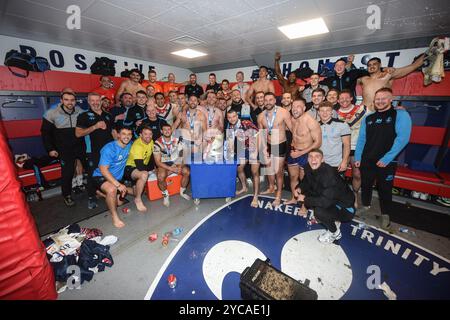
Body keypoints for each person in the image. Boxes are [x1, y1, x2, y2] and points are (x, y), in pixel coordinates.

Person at [355, 87, 412, 229]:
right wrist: (358, 157)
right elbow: (361, 139)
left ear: (391, 99)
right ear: (374, 100)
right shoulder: (368, 118)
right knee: (366, 185)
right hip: (367, 160)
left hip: (387, 162)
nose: (380, 101)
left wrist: (387, 158)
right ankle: (366, 205)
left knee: (385, 189)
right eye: (377, 99)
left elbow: (403, 139)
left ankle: (386, 214)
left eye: (383, 98)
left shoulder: (400, 115)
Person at [296, 149, 355, 244]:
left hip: (346, 208)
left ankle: (335, 232)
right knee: (312, 193)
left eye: (317, 156)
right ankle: (331, 218)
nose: (313, 159)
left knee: (319, 211)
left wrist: (305, 199)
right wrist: (299, 188)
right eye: (310, 156)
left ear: (322, 160)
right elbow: (306, 181)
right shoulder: (308, 167)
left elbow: (324, 202)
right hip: (332, 200)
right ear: (307, 159)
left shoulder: (328, 175)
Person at [41, 91, 84, 207]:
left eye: (72, 100)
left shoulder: (80, 111)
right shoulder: (52, 113)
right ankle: (67, 195)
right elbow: (45, 133)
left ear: (75, 101)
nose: (69, 102)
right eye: (66, 99)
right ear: (61, 100)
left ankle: (94, 190)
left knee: (90, 168)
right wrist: (50, 148)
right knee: (67, 173)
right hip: (64, 149)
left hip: (80, 146)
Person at [76, 92, 114, 209]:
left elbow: (112, 132)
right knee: (92, 174)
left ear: (101, 101)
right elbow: (78, 133)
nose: (95, 103)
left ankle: (110, 192)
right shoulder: (84, 116)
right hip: (92, 151)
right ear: (88, 101)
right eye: (92, 100)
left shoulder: (108, 115)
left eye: (97, 100)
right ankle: (92, 197)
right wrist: (95, 127)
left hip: (108, 151)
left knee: (109, 171)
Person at [92, 126, 133, 228]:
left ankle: (104, 195)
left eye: (129, 134)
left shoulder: (130, 145)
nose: (126, 137)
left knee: (119, 203)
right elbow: (103, 170)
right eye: (123, 134)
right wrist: (118, 185)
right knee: (112, 190)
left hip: (118, 178)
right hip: (101, 176)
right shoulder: (109, 148)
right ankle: (114, 216)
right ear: (118, 135)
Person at [258, 92, 292, 206]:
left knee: (278, 171)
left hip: (279, 143)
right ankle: (271, 187)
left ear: (275, 100)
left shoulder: (283, 112)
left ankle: (278, 194)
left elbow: (292, 129)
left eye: (270, 100)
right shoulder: (261, 116)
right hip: (268, 144)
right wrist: (263, 149)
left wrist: (295, 145)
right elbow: (261, 134)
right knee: (268, 168)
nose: (268, 102)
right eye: (266, 100)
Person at [285, 98, 321, 205]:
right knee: (293, 177)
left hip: (304, 154)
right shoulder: (293, 119)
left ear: (304, 108)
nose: (294, 109)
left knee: (304, 181)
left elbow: (318, 143)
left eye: (298, 107)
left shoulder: (311, 122)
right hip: (293, 152)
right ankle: (294, 198)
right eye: (293, 107)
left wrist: (300, 153)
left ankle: (304, 206)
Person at [356, 55, 425, 111]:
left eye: (374, 64)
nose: (371, 66)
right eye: (369, 65)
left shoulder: (388, 75)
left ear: (380, 65)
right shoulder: (363, 79)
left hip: (381, 111)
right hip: (364, 112)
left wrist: (428, 53)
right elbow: (348, 78)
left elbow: (413, 66)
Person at [337, 89, 367, 207]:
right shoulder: (335, 113)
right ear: (338, 100)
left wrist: (397, 109)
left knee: (357, 174)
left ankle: (355, 195)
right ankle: (340, 196)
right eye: (341, 98)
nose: (344, 100)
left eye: (346, 98)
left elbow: (380, 110)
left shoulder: (362, 110)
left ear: (351, 98)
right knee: (339, 174)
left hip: (356, 147)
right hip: (341, 147)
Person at [225, 109, 260, 207]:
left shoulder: (246, 123)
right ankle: (244, 187)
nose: (232, 119)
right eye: (229, 117)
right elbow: (230, 142)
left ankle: (256, 196)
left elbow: (257, 136)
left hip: (254, 148)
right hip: (243, 149)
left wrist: (256, 152)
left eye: (233, 116)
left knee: (255, 172)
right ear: (227, 118)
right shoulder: (230, 127)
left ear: (237, 116)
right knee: (239, 168)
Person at [153, 123, 191, 207]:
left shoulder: (177, 140)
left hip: (175, 162)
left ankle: (182, 191)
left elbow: (182, 155)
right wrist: (171, 169)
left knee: (187, 171)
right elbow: (158, 162)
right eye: (165, 130)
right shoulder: (156, 143)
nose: (167, 131)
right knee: (160, 176)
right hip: (164, 163)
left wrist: (179, 166)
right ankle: (165, 195)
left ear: (171, 130)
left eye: (169, 129)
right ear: (161, 131)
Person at [123, 125, 154, 212]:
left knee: (138, 190)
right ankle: (138, 199)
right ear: (140, 135)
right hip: (130, 168)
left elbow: (150, 156)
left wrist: (154, 168)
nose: (148, 136)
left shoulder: (151, 141)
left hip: (140, 167)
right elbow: (140, 166)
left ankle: (121, 189)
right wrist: (150, 170)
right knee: (144, 174)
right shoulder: (138, 145)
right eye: (145, 134)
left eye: (150, 134)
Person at [318, 101, 351, 172]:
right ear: (318, 112)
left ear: (332, 112)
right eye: (322, 111)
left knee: (336, 183)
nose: (325, 113)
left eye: (327, 110)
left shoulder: (342, 125)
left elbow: (347, 145)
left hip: (336, 163)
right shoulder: (315, 125)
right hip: (319, 162)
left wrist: (344, 162)